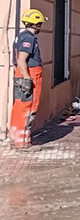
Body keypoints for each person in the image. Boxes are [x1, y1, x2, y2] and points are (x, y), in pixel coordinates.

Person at [9, 9, 47, 149]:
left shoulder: (21, 36)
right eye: (40, 24)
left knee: (19, 106)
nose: (40, 27)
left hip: (22, 74)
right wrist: (27, 78)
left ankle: (15, 137)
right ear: (36, 25)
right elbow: (22, 59)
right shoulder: (29, 38)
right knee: (28, 108)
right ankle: (23, 143)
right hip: (29, 74)